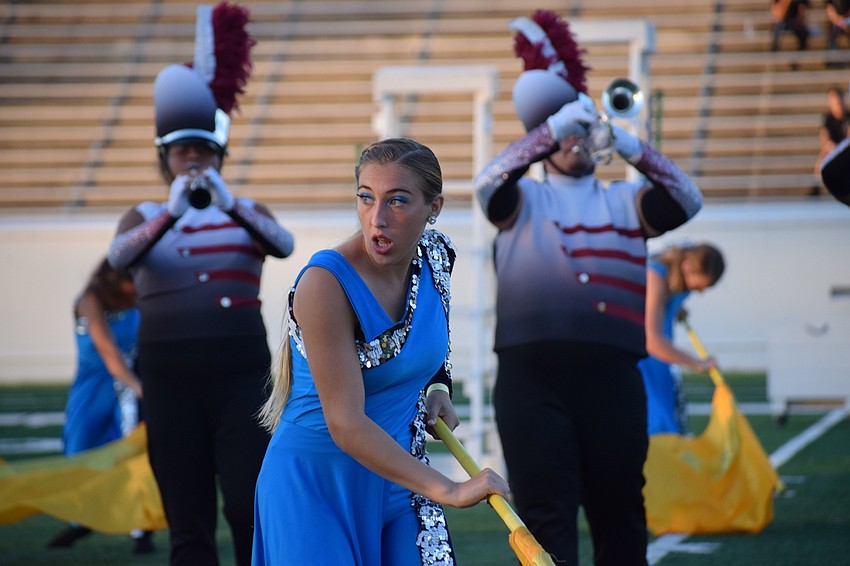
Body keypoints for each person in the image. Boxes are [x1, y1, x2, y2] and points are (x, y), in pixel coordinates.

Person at [474, 10, 704, 565]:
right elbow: (485, 185)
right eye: (563, 133)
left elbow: (689, 198)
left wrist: (628, 145)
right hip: (532, 383)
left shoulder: (626, 202)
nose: (575, 140)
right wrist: (552, 128)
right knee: (545, 515)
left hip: (612, 379)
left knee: (620, 512)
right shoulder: (522, 200)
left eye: (580, 131)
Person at [252, 137, 510, 565]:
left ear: (434, 208)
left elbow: (429, 333)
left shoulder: (437, 255)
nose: (377, 219)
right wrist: (450, 488)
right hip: (315, 488)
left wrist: (437, 385)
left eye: (398, 201)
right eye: (366, 198)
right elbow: (346, 423)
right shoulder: (324, 284)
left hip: (399, 481)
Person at [107, 3, 294, 565]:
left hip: (242, 376)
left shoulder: (245, 209)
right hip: (169, 379)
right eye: (183, 152)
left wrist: (228, 203)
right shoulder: (143, 214)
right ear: (164, 158)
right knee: (187, 519)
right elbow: (119, 261)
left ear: (220, 156)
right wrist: (170, 214)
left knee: (246, 505)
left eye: (204, 151)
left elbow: (283, 244)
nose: (193, 162)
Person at [46, 257, 153, 554]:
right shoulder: (90, 300)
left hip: (127, 390)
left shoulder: (136, 302)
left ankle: (141, 531)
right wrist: (143, 390)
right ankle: (80, 520)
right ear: (114, 279)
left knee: (133, 456)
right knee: (81, 452)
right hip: (95, 389)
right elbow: (109, 353)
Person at [639, 243, 725, 436]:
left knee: (671, 426)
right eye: (695, 287)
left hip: (660, 363)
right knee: (657, 428)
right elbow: (651, 341)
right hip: (644, 363)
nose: (699, 293)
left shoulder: (674, 280)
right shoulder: (656, 276)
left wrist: (673, 308)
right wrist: (696, 363)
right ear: (686, 266)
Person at [815, 86, 850, 178]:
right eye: (834, 103)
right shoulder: (828, 119)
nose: (837, 105)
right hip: (835, 154)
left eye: (839, 102)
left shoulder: (848, 117)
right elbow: (825, 141)